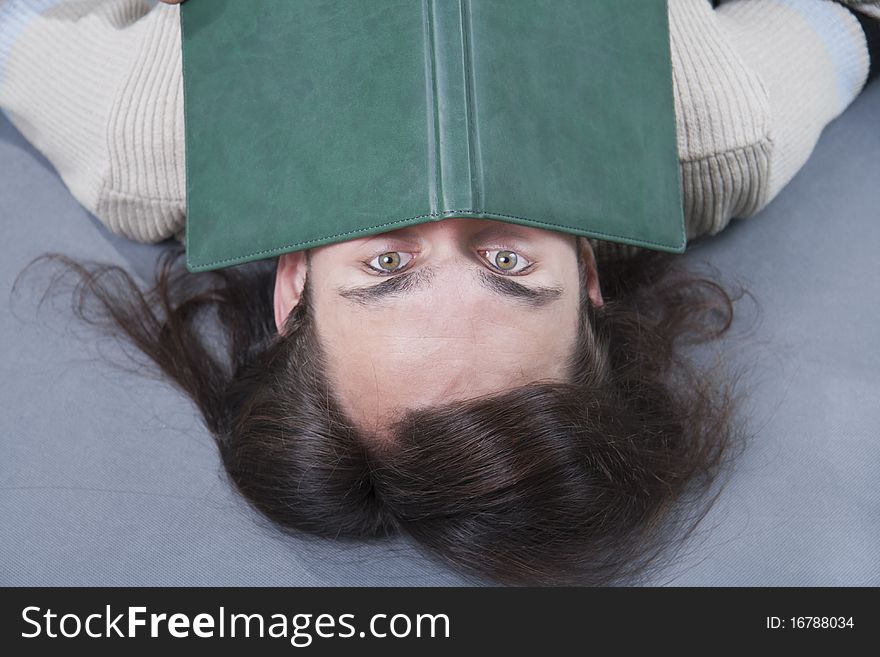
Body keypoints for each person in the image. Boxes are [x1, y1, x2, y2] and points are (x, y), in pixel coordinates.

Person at [2, 0, 877, 585]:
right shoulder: (720, 118)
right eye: (509, 267)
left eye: (386, 268)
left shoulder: (148, 125)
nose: (454, 204)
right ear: (588, 274)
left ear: (296, 279)